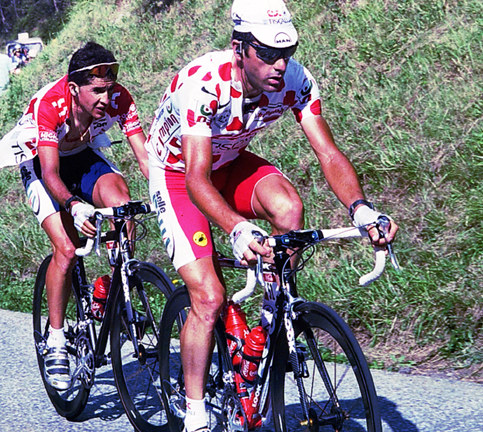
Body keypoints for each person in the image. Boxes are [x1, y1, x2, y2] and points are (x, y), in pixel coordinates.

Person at [144, 0, 399, 431]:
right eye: (267, 53)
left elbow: (327, 151)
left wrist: (361, 208)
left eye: (288, 52)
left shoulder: (295, 79)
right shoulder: (205, 84)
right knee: (207, 297)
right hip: (178, 175)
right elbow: (196, 177)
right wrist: (239, 228)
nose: (280, 64)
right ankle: (194, 413)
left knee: (289, 209)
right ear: (239, 48)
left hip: (229, 163)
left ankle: (268, 323)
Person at [0, 41, 149, 390]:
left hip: (82, 153)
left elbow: (146, 159)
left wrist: (171, 195)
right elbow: (50, 173)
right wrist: (74, 206)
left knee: (122, 204)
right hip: (42, 162)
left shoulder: (119, 97)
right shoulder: (52, 104)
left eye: (108, 89)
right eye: (97, 92)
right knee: (66, 248)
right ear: (75, 88)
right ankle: (57, 340)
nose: (106, 99)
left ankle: (117, 288)